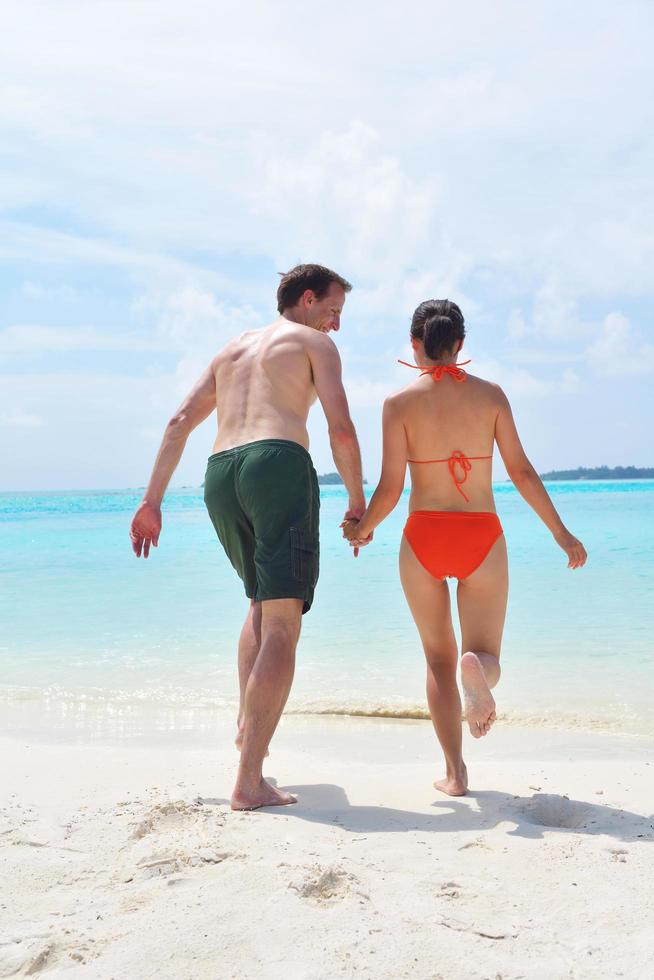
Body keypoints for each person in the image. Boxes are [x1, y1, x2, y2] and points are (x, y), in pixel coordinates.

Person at [130, 264, 366, 810]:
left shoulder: (232, 348)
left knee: (260, 605)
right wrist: (357, 501)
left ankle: (246, 728)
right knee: (284, 623)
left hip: (220, 473)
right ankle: (249, 779)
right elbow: (340, 428)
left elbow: (179, 421)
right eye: (334, 310)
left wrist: (152, 501)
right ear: (307, 300)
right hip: (277, 463)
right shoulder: (312, 344)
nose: (336, 324)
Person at [342, 299, 587, 797]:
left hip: (423, 537)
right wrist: (561, 533)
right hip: (480, 534)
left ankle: (455, 773)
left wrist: (362, 528)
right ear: (460, 345)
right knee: (485, 653)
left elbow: (390, 488)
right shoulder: (492, 396)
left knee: (437, 658)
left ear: (415, 345)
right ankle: (479, 675)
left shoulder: (397, 404)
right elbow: (520, 470)